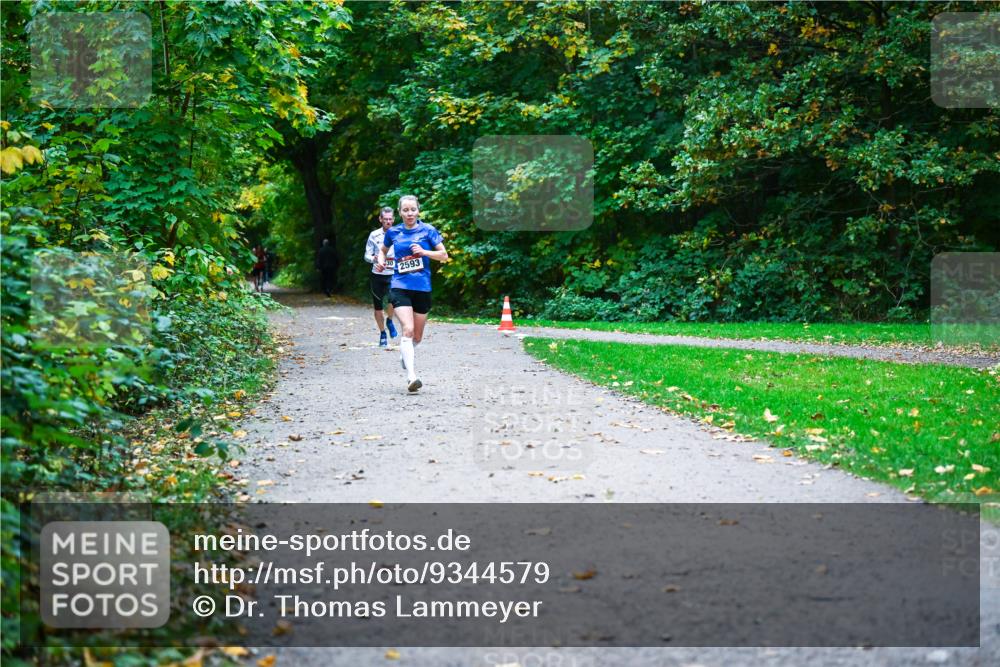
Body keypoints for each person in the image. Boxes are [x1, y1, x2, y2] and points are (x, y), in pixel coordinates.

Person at [375, 195, 448, 392]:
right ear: (400, 212)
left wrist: (425, 253)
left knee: (417, 337)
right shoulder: (394, 232)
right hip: (400, 286)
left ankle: (405, 355)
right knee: (407, 329)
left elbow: (444, 256)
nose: (409, 213)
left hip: (422, 287)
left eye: (413, 210)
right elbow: (382, 250)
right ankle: (411, 377)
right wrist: (381, 260)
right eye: (405, 210)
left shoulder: (428, 231)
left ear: (418, 211)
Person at [364, 206, 399, 347]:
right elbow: (366, 255)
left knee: (394, 300)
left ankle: (390, 320)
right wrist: (374, 259)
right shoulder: (374, 235)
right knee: (378, 307)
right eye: (386, 219)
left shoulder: (399, 233)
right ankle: (383, 333)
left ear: (394, 219)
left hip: (393, 274)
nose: (388, 222)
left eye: (390, 219)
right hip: (377, 276)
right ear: (380, 219)